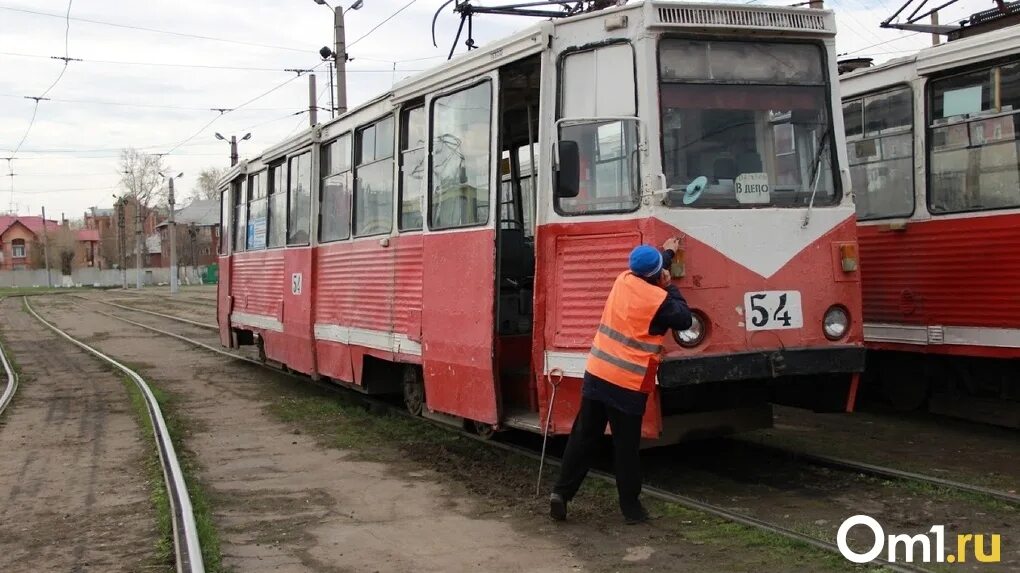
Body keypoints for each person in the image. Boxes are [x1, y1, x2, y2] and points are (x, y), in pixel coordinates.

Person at [550, 238, 693, 524]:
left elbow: (649, 266)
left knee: (583, 437)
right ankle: (631, 509)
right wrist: (670, 286)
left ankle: (561, 494)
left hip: (597, 373)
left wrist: (666, 253)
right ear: (657, 276)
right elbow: (685, 320)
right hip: (628, 382)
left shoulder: (622, 279)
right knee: (625, 447)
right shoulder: (661, 300)